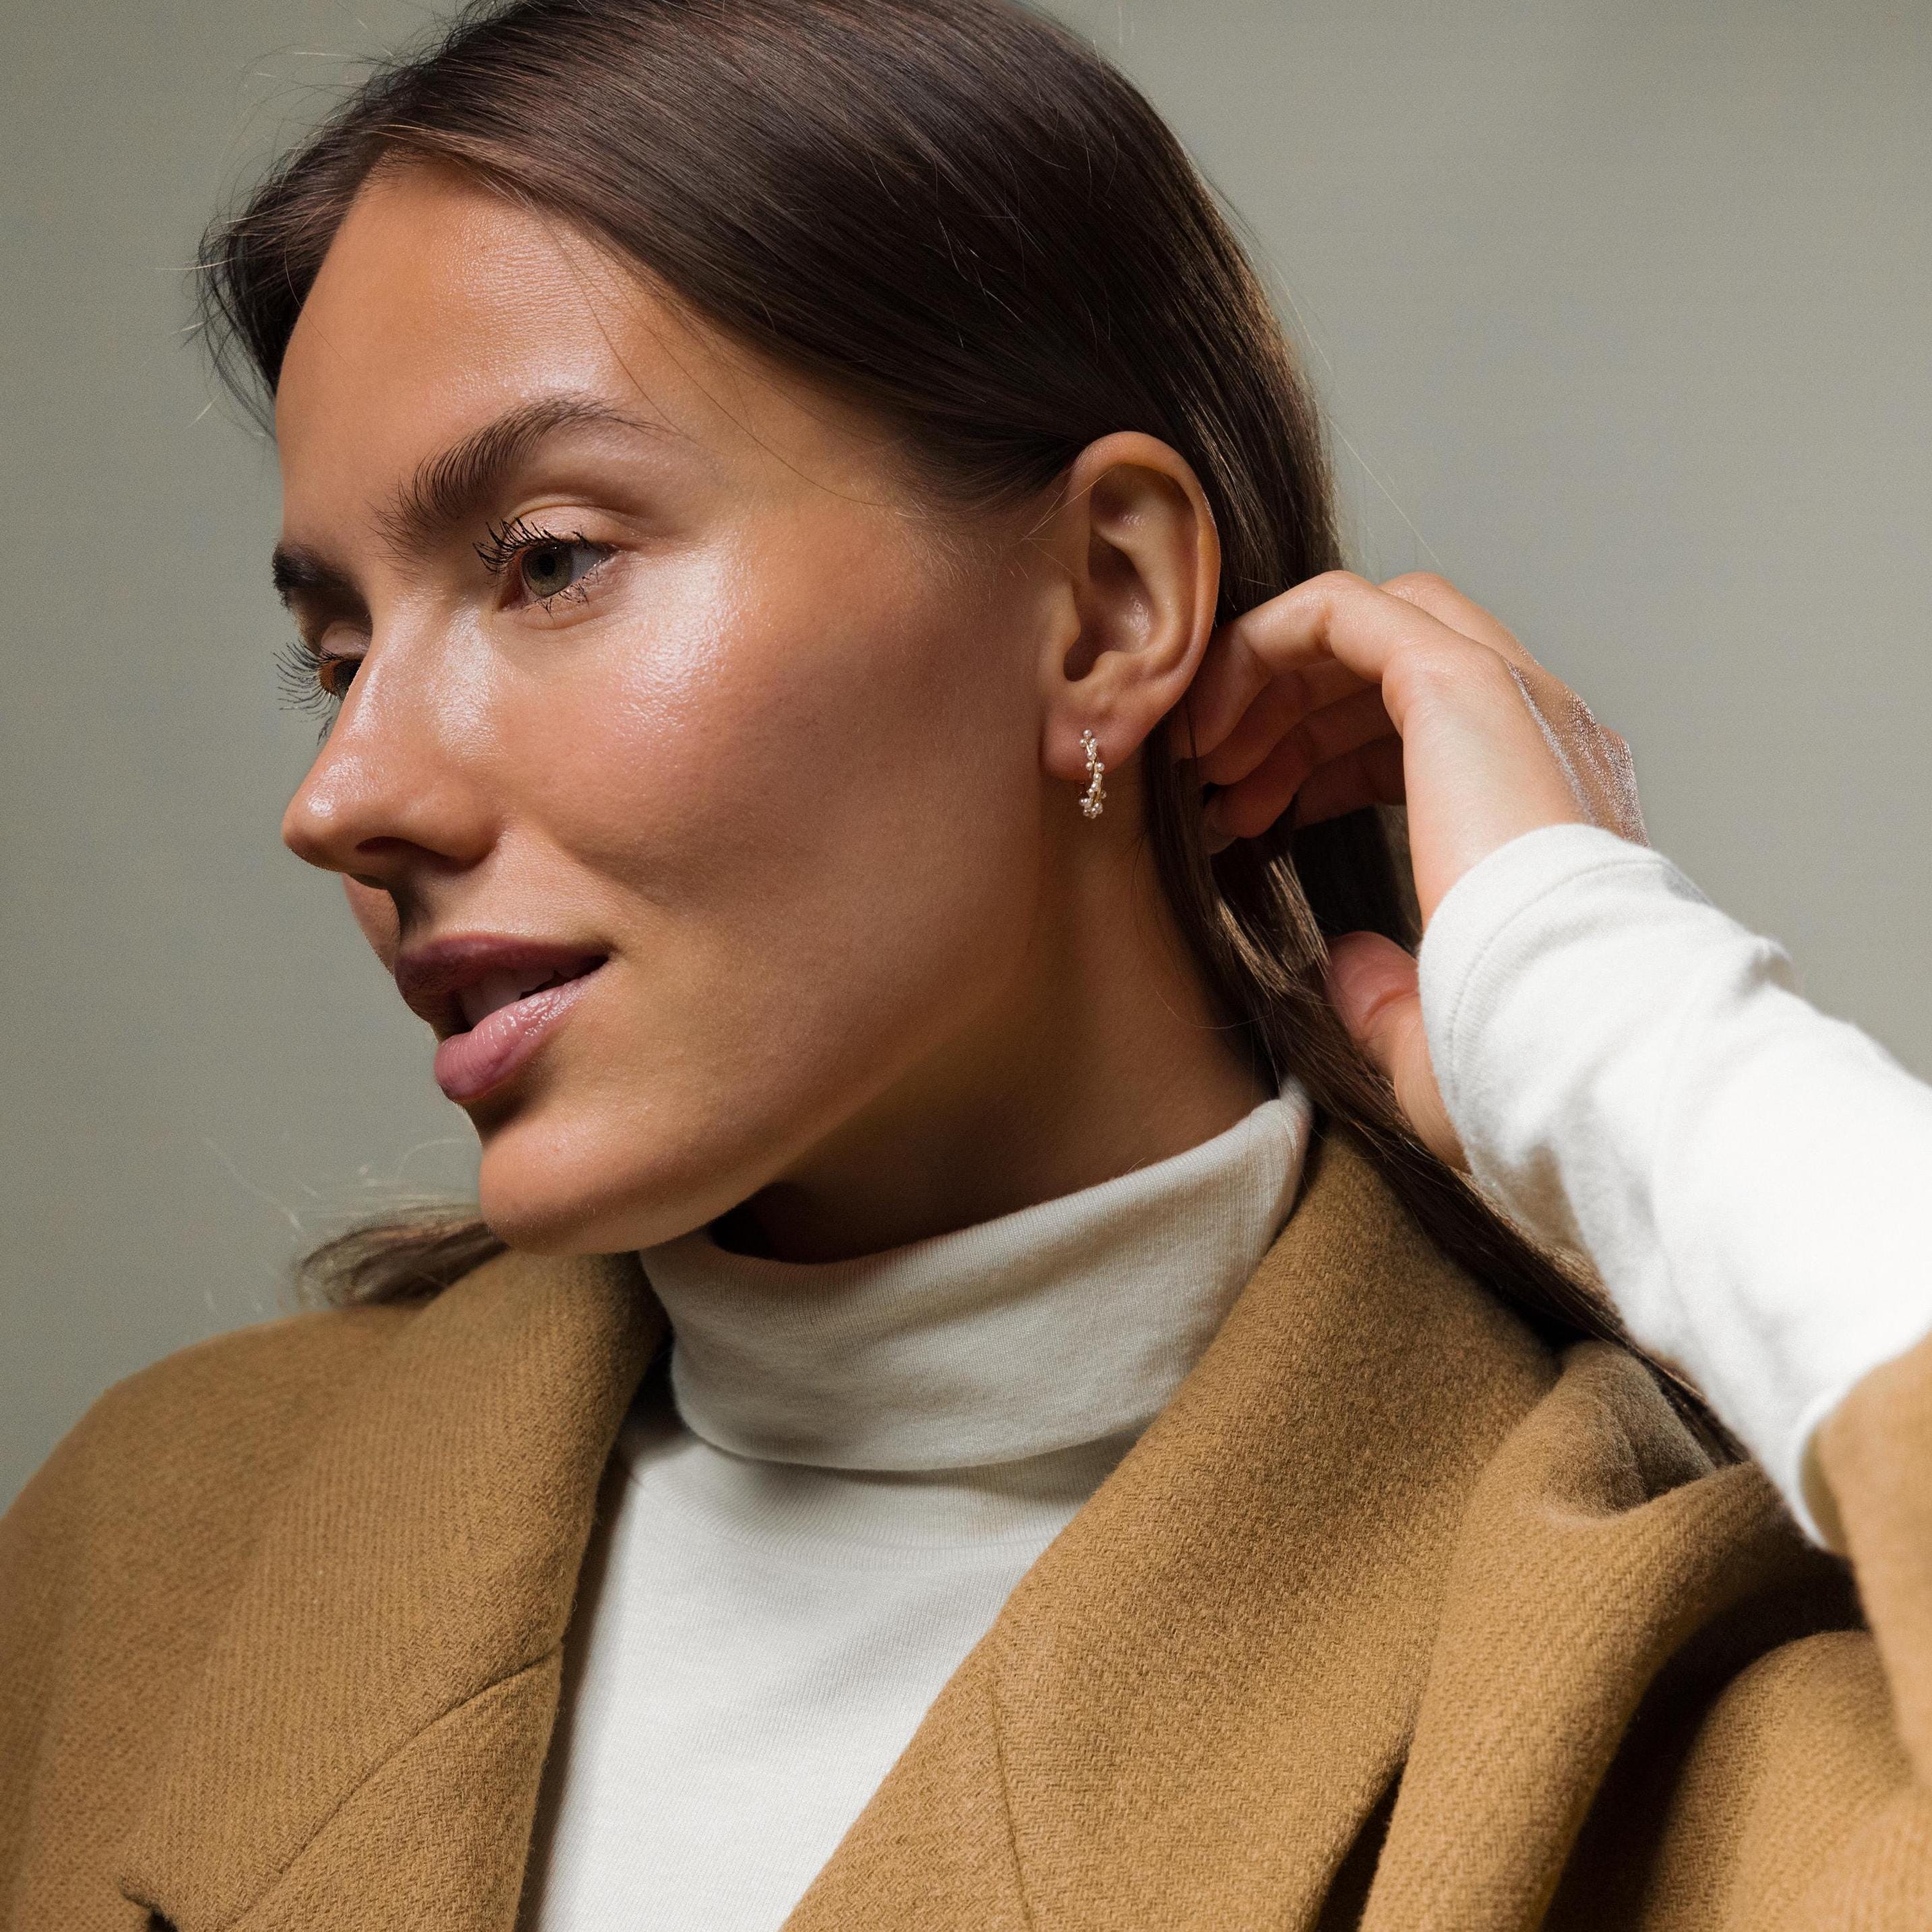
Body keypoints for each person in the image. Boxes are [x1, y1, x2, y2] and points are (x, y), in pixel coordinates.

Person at [3, 1, 1929, 1926]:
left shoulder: (1641, 1698)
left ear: (1102, 604)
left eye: (549, 558)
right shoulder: (149, 1547)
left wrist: (1614, 1021)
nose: (343, 796)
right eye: (335, 658)